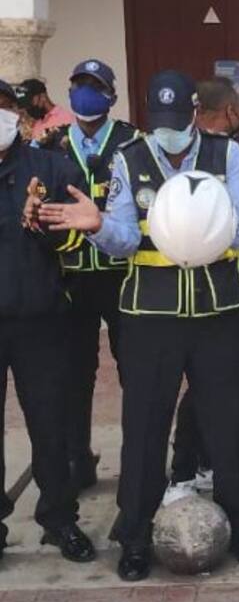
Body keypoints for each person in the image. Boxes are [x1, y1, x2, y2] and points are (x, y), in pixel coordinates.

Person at [39, 69, 239, 581]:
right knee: (143, 426)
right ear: (149, 117)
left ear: (193, 113)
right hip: (150, 315)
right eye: (159, 121)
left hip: (216, 311)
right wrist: (97, 226)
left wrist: (207, 227)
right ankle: (136, 534)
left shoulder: (224, 154)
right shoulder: (131, 158)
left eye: (177, 119)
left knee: (230, 423)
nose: (170, 132)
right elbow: (124, 238)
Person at [1, 78, 96, 564]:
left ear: (17, 115)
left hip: (41, 320)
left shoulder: (50, 167)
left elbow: (79, 241)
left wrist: (47, 229)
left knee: (50, 425)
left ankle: (59, 521)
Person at [35, 59, 137, 492]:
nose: (85, 94)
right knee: (75, 375)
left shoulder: (132, 143)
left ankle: (138, 457)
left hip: (121, 276)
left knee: (136, 371)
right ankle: (79, 455)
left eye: (94, 86)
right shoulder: (50, 146)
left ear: (111, 96)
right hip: (72, 277)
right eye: (78, 85)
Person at [166, 77, 239, 498]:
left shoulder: (228, 152)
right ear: (230, 112)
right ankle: (188, 466)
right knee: (213, 384)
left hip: (235, 284)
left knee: (225, 382)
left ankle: (215, 464)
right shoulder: (192, 152)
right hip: (209, 287)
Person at [16, 78, 73, 144]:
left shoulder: (65, 119)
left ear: (43, 96)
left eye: (30, 102)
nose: (27, 108)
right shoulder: (34, 121)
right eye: (24, 104)